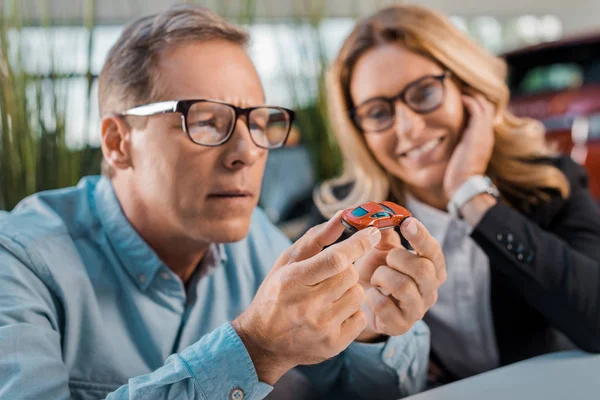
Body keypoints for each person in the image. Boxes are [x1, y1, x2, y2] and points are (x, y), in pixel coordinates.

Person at [0, 5, 447, 400]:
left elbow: (373, 390)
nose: (248, 153)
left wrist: (368, 328)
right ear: (118, 142)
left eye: (259, 122)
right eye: (207, 122)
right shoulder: (19, 262)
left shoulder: (255, 238)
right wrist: (255, 349)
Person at [314, 4, 600, 386]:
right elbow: (324, 378)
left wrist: (470, 194)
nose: (410, 128)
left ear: (469, 89)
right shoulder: (348, 228)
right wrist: (371, 335)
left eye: (424, 92)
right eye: (378, 112)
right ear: (359, 130)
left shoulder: (550, 183)